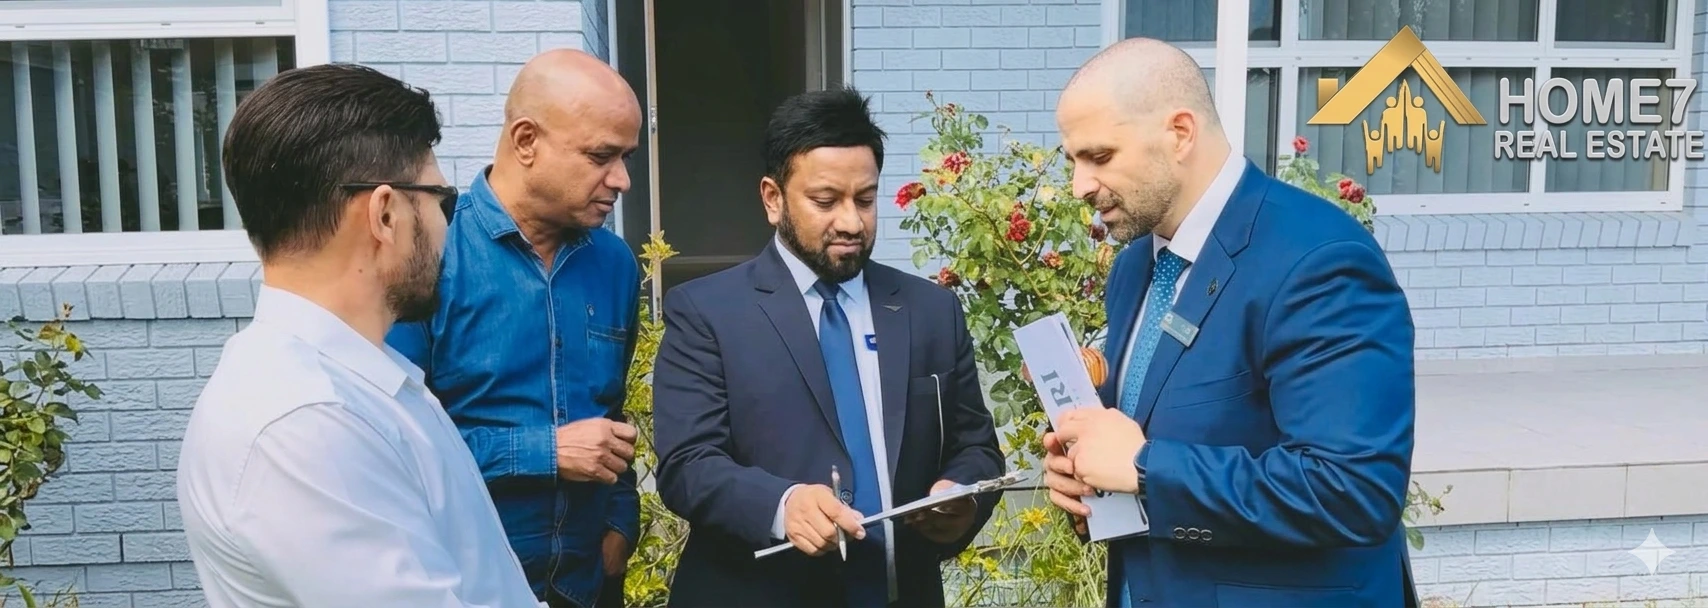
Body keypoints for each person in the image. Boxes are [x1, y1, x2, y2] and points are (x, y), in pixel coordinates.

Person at [1042, 38, 1418, 607]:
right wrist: (1092, 480)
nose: (1080, 186)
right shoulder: (1132, 270)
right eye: (1072, 160)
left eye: (1099, 156)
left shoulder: (1317, 260)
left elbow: (1353, 492)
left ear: (1180, 133)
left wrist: (1144, 467)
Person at [176, 63, 543, 607]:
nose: (449, 226)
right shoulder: (305, 424)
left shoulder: (353, 383)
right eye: (442, 202)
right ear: (385, 213)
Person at [651, 86, 1005, 607]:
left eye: (865, 199)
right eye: (825, 201)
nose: (851, 222)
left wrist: (961, 497)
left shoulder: (931, 311)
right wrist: (783, 503)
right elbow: (687, 464)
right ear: (773, 199)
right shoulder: (706, 312)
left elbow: (977, 448)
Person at [385, 48, 642, 608]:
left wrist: (622, 525)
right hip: (468, 588)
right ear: (526, 141)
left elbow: (611, 414)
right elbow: (395, 447)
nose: (621, 179)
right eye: (602, 155)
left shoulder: (616, 265)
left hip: (587, 587)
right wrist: (544, 451)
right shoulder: (430, 254)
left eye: (626, 156)